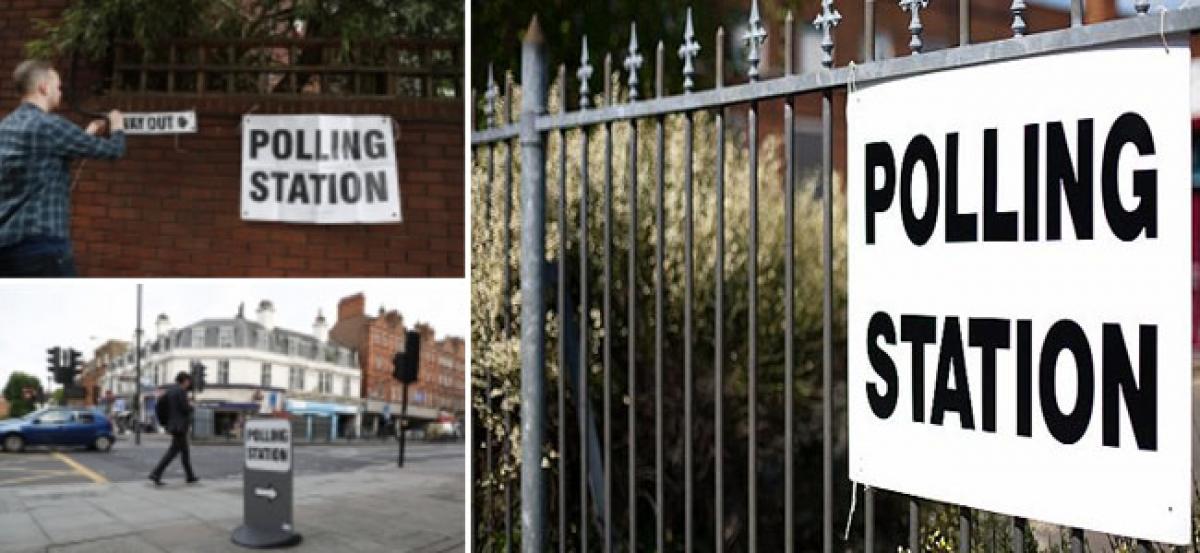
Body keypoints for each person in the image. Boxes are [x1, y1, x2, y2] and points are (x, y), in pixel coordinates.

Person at [0, 59, 125, 277]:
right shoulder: (50, 126)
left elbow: (41, 161)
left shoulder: (5, 127)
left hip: (6, 248)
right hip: (43, 249)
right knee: (62, 310)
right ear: (43, 87)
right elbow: (113, 150)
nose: (60, 93)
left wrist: (85, 136)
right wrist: (117, 126)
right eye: (58, 87)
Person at [148, 372, 199, 485]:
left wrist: (165, 422)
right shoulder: (181, 391)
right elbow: (184, 408)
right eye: (189, 381)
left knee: (184, 452)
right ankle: (156, 473)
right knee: (173, 452)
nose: (189, 383)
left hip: (174, 425)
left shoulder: (170, 391)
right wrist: (191, 406)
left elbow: (159, 406)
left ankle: (190, 476)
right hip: (179, 426)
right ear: (185, 381)